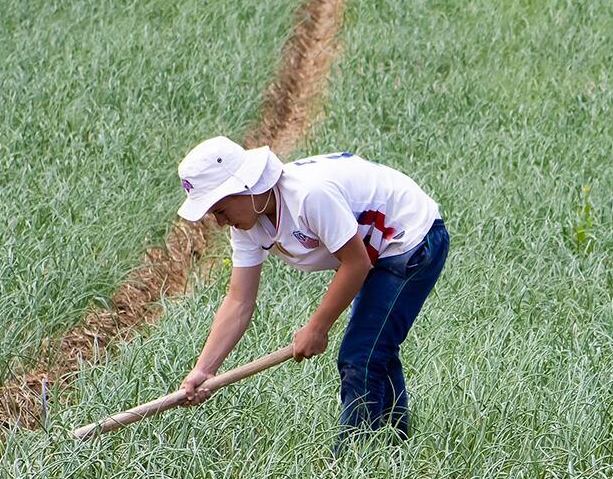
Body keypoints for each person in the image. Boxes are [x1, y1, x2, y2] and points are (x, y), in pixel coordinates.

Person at [173, 137, 448, 450]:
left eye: (220, 210)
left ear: (244, 187)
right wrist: (204, 370)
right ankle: (394, 445)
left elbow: (356, 264)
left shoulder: (308, 196)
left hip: (410, 238)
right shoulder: (247, 225)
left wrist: (317, 327)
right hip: (371, 251)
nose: (221, 223)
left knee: (361, 355)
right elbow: (239, 301)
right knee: (373, 347)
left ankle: (354, 464)